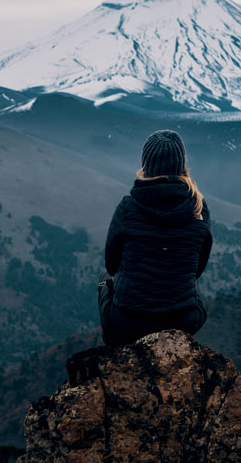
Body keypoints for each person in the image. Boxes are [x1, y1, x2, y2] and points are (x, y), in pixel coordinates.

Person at [98, 129, 212, 345]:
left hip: (126, 320)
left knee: (104, 280)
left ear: (146, 164)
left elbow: (111, 265)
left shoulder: (128, 207)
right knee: (190, 283)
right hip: (184, 320)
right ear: (181, 164)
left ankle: (114, 363)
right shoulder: (199, 208)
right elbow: (198, 268)